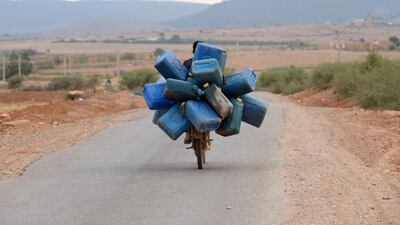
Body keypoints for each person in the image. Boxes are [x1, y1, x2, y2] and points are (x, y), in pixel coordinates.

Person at [183, 41, 203, 145]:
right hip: (207, 93)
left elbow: (181, 78)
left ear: (193, 51)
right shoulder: (211, 62)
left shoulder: (187, 63)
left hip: (189, 93)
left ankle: (187, 132)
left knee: (183, 106)